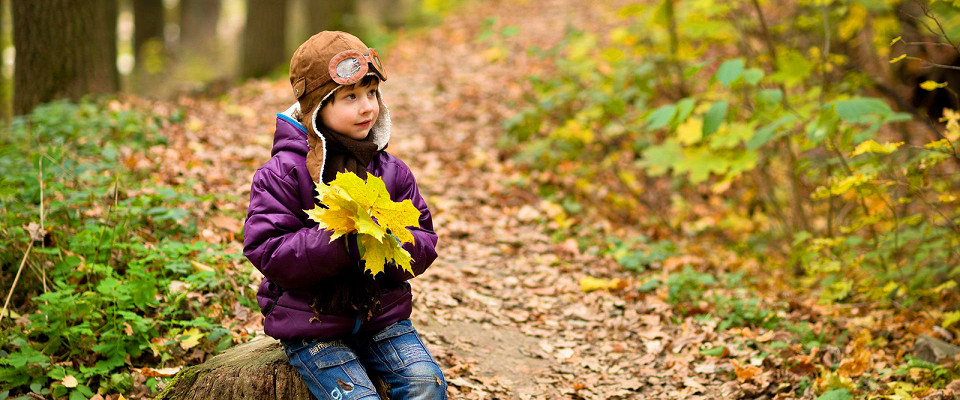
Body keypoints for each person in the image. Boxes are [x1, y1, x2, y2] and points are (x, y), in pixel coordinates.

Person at [242, 31, 447, 400]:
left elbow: (425, 240)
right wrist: (341, 242)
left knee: (425, 384)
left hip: (381, 315)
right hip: (311, 322)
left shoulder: (390, 171)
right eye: (351, 97)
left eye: (371, 94)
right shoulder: (283, 173)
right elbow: (267, 249)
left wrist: (389, 243)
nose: (367, 107)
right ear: (317, 107)